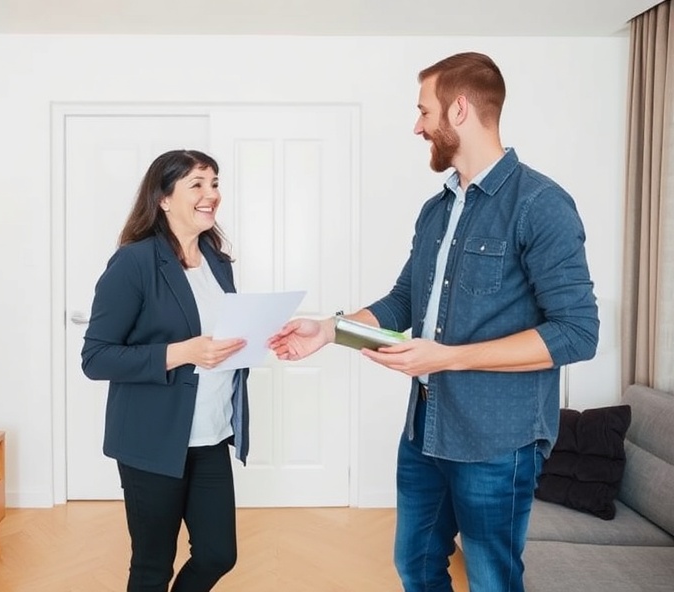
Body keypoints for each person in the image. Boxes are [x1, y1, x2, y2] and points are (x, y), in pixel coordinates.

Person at [268, 52, 599, 592]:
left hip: (498, 441)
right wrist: (328, 330)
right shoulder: (437, 210)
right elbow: (405, 301)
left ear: (459, 109)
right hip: (426, 428)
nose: (418, 126)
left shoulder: (540, 204)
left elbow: (578, 332)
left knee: (492, 580)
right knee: (416, 566)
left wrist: (449, 358)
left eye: (424, 111)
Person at [81, 149, 250, 592]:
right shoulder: (134, 262)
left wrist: (257, 338)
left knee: (218, 554)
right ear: (163, 198)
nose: (211, 194)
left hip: (211, 434)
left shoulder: (217, 261)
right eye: (197, 184)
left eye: (215, 183)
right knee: (152, 566)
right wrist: (182, 352)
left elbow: (219, 336)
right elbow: (96, 357)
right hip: (152, 439)